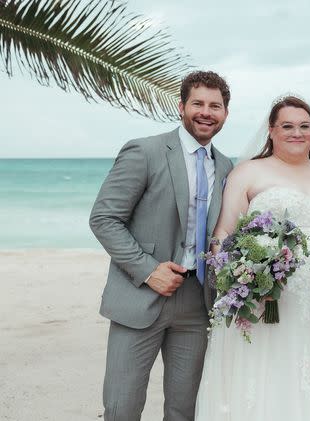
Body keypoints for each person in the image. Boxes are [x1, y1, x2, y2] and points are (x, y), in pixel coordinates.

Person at [194, 95, 310, 421]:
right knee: (266, 375)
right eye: (288, 126)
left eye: (304, 126)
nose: (297, 133)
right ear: (271, 130)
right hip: (267, 297)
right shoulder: (247, 173)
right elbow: (223, 233)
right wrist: (240, 277)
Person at [89, 71, 234, 421]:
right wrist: (148, 271)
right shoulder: (145, 151)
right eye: (197, 103)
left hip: (198, 303)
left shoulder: (227, 166)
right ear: (181, 106)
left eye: (215, 105)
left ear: (225, 114)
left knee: (184, 410)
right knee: (122, 406)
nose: (206, 112)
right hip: (141, 295)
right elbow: (104, 219)